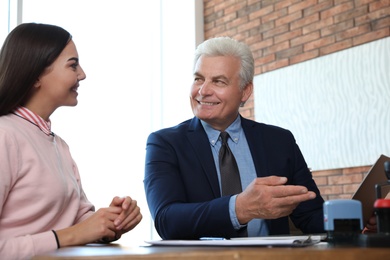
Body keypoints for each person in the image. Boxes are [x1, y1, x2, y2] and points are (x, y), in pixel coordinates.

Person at [144, 36, 325, 240]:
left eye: (218, 81)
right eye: (198, 79)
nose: (203, 91)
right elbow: (167, 220)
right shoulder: (165, 144)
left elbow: (311, 215)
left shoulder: (280, 141)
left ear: (245, 91)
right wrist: (239, 209)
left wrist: (357, 223)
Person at [0, 23, 142, 259]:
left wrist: (111, 222)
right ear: (36, 75)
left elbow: (78, 218)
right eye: (72, 65)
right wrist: (72, 235)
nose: (82, 74)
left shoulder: (58, 144)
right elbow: (74, 231)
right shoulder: (5, 135)